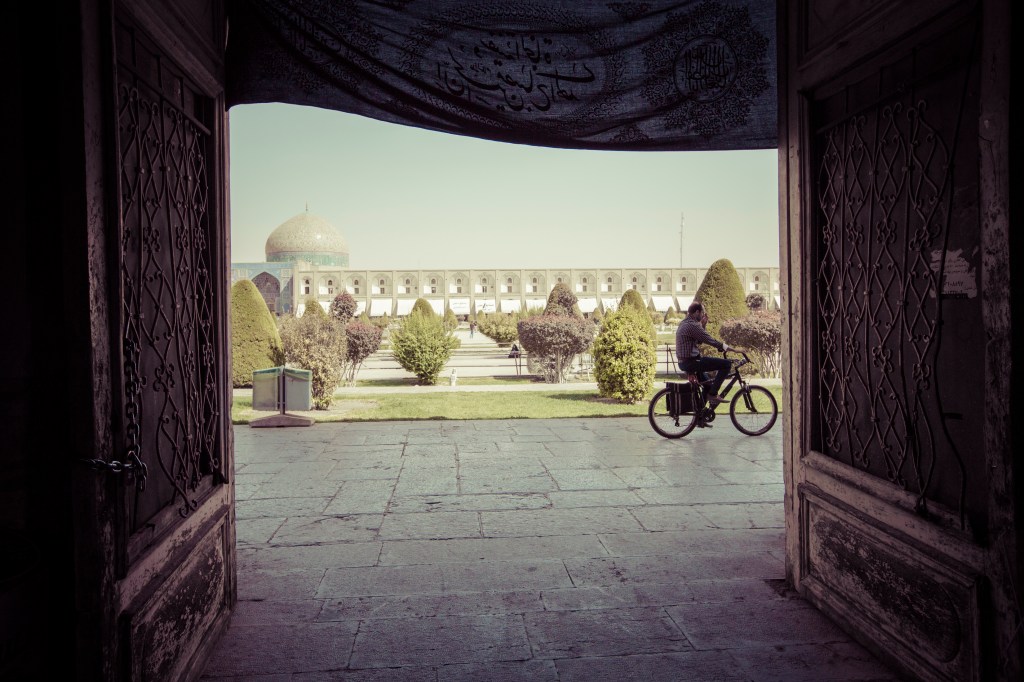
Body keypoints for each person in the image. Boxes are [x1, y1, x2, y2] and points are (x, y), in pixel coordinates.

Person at [675, 301, 732, 404]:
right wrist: (727, 348)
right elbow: (709, 340)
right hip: (692, 362)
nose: (703, 316)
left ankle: (699, 417)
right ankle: (713, 395)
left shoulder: (684, 323)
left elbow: (699, 341)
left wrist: (703, 325)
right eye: (702, 313)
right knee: (726, 364)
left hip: (685, 362)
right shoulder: (693, 325)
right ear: (697, 312)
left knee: (708, 386)